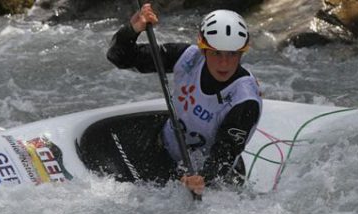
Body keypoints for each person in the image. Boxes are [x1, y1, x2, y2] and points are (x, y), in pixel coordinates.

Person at [106, 4, 262, 196]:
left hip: (208, 177)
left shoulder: (245, 100)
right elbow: (119, 57)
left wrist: (203, 178)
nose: (224, 63)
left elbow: (225, 153)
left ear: (242, 52)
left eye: (233, 54)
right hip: (165, 150)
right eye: (216, 53)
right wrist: (132, 30)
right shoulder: (188, 57)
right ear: (203, 49)